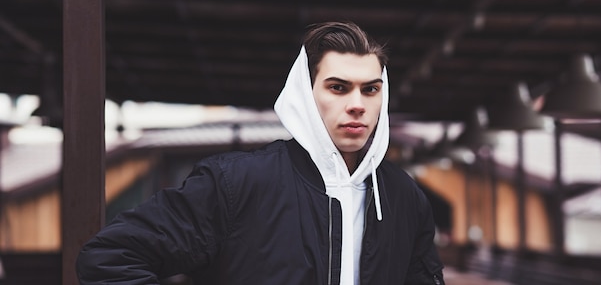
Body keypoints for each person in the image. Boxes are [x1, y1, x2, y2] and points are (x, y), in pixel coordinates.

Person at [76, 21, 446, 285]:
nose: (357, 104)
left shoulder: (403, 197)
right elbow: (110, 258)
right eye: (338, 87)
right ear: (306, 93)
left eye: (370, 90)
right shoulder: (236, 184)